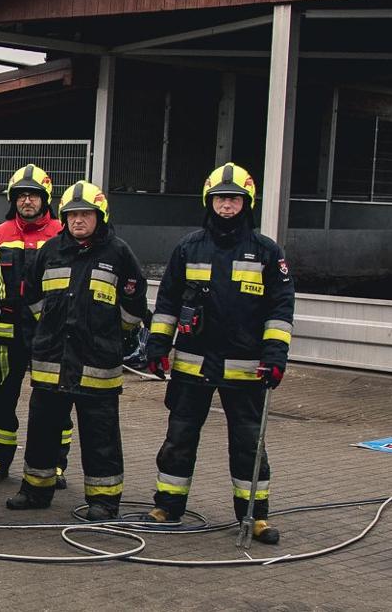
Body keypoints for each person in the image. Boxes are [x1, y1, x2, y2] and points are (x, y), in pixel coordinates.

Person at [140, 163, 295, 544]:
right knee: (179, 437)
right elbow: (168, 302)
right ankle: (168, 506)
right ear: (209, 202)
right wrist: (158, 345)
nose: (227, 205)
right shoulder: (188, 248)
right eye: (221, 198)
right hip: (193, 365)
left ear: (247, 204)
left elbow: (280, 308)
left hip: (245, 369)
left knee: (248, 444)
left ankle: (254, 516)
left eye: (234, 199)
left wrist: (275, 357)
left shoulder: (266, 252)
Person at [3, 181, 148, 521]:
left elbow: (133, 304)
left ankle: (104, 501)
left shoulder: (118, 253)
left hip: (97, 362)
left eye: (86, 214)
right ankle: (36, 491)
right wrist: (49, 326)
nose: (79, 220)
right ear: (64, 218)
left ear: (100, 217)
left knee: (101, 435)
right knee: (42, 430)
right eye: (72, 215)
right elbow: (32, 294)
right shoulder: (50, 251)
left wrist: (113, 333)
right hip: (52, 361)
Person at [0, 163, 70, 485]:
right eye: (21, 196)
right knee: (2, 396)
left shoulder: (62, 233)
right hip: (7, 332)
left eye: (33, 195)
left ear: (46, 199)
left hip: (51, 332)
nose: (27, 201)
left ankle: (55, 463)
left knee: (55, 396)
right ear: (12, 200)